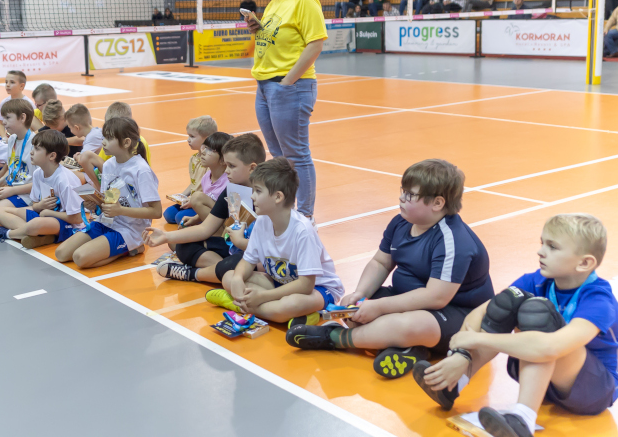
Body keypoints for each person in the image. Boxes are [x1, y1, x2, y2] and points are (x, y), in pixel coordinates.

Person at [286, 159, 494, 381]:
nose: (402, 198)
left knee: (406, 325)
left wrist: (379, 306)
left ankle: (334, 337)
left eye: (410, 195)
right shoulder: (401, 223)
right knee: (355, 310)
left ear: (437, 203)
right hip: (407, 297)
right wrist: (360, 294)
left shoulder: (453, 240)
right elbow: (381, 263)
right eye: (403, 191)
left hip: (457, 313)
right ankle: (411, 348)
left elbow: (436, 297)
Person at [413, 214, 618, 437]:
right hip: (545, 382)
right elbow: (481, 312)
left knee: (538, 313)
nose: (540, 251)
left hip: (593, 389)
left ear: (585, 263)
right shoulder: (536, 280)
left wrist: (478, 339)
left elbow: (551, 347)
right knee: (507, 302)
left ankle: (523, 419)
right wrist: (461, 356)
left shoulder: (599, 300)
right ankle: (454, 384)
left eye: (552, 247)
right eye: (542, 243)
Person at [205, 157, 344, 325]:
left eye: (258, 191)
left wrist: (263, 296)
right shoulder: (262, 221)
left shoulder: (302, 231)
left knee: (291, 304)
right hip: (281, 283)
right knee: (229, 277)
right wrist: (238, 278)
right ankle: (281, 313)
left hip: (318, 289)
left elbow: (306, 285)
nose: (252, 196)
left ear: (278, 197)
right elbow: (247, 261)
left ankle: (237, 304)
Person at [246, 0, 323, 221]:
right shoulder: (274, 3)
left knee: (296, 155)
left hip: (290, 87)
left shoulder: (305, 0)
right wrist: (256, 29)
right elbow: (274, 41)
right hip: (265, 86)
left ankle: (306, 218)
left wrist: (287, 83)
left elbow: (315, 44)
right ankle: (286, 213)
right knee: (279, 156)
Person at [147, 134, 266, 285]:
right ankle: (222, 271)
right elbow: (204, 229)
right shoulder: (232, 189)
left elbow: (268, 248)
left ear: (252, 168)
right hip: (233, 249)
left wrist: (241, 244)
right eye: (226, 165)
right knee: (183, 245)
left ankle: (194, 274)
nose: (226, 171)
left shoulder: (267, 195)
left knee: (240, 261)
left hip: (254, 254)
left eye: (232, 166)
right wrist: (166, 236)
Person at [54, 117, 161, 268]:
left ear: (126, 142)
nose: (103, 142)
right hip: (107, 222)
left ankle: (131, 248)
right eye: (103, 137)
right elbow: (110, 198)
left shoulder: (141, 170)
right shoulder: (109, 165)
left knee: (80, 258)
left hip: (129, 230)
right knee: (61, 253)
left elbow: (156, 212)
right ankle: (113, 247)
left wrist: (120, 210)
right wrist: (95, 203)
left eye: (109, 138)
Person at [0, 130, 84, 248]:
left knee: (35, 223)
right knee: (0, 211)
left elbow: (77, 219)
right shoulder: (38, 173)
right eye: (33, 147)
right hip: (44, 215)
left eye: (37, 149)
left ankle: (8, 234)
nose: (31, 152)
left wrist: (48, 212)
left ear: (52, 156)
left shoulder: (64, 180)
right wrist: (40, 206)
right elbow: (35, 205)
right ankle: (39, 236)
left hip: (66, 224)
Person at [74, 102, 152, 191]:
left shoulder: (141, 166)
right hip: (115, 179)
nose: (103, 142)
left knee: (86, 158)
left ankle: (101, 191)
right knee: (86, 158)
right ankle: (101, 191)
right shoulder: (109, 163)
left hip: (128, 185)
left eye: (110, 136)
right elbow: (101, 166)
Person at [163, 115, 217, 225]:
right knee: (168, 214)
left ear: (207, 139)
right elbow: (193, 183)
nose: (188, 140)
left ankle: (203, 218)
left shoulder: (210, 162)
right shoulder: (193, 159)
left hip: (202, 202)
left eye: (192, 136)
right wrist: (181, 196)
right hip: (191, 199)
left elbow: (210, 190)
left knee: (180, 218)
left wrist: (193, 201)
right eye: (188, 136)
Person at [183, 131, 232, 224]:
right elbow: (208, 208)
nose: (203, 152)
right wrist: (195, 219)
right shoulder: (206, 177)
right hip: (212, 222)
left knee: (197, 198)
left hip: (224, 224)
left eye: (210, 150)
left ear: (223, 160)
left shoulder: (229, 182)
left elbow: (228, 216)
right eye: (204, 147)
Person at [0, 70, 34, 139]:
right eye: (6, 82)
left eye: (12, 82)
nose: (7, 85)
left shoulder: (29, 104)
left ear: (21, 86)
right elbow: (1, 124)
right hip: (8, 138)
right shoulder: (4, 102)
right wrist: (4, 137)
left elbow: (32, 126)